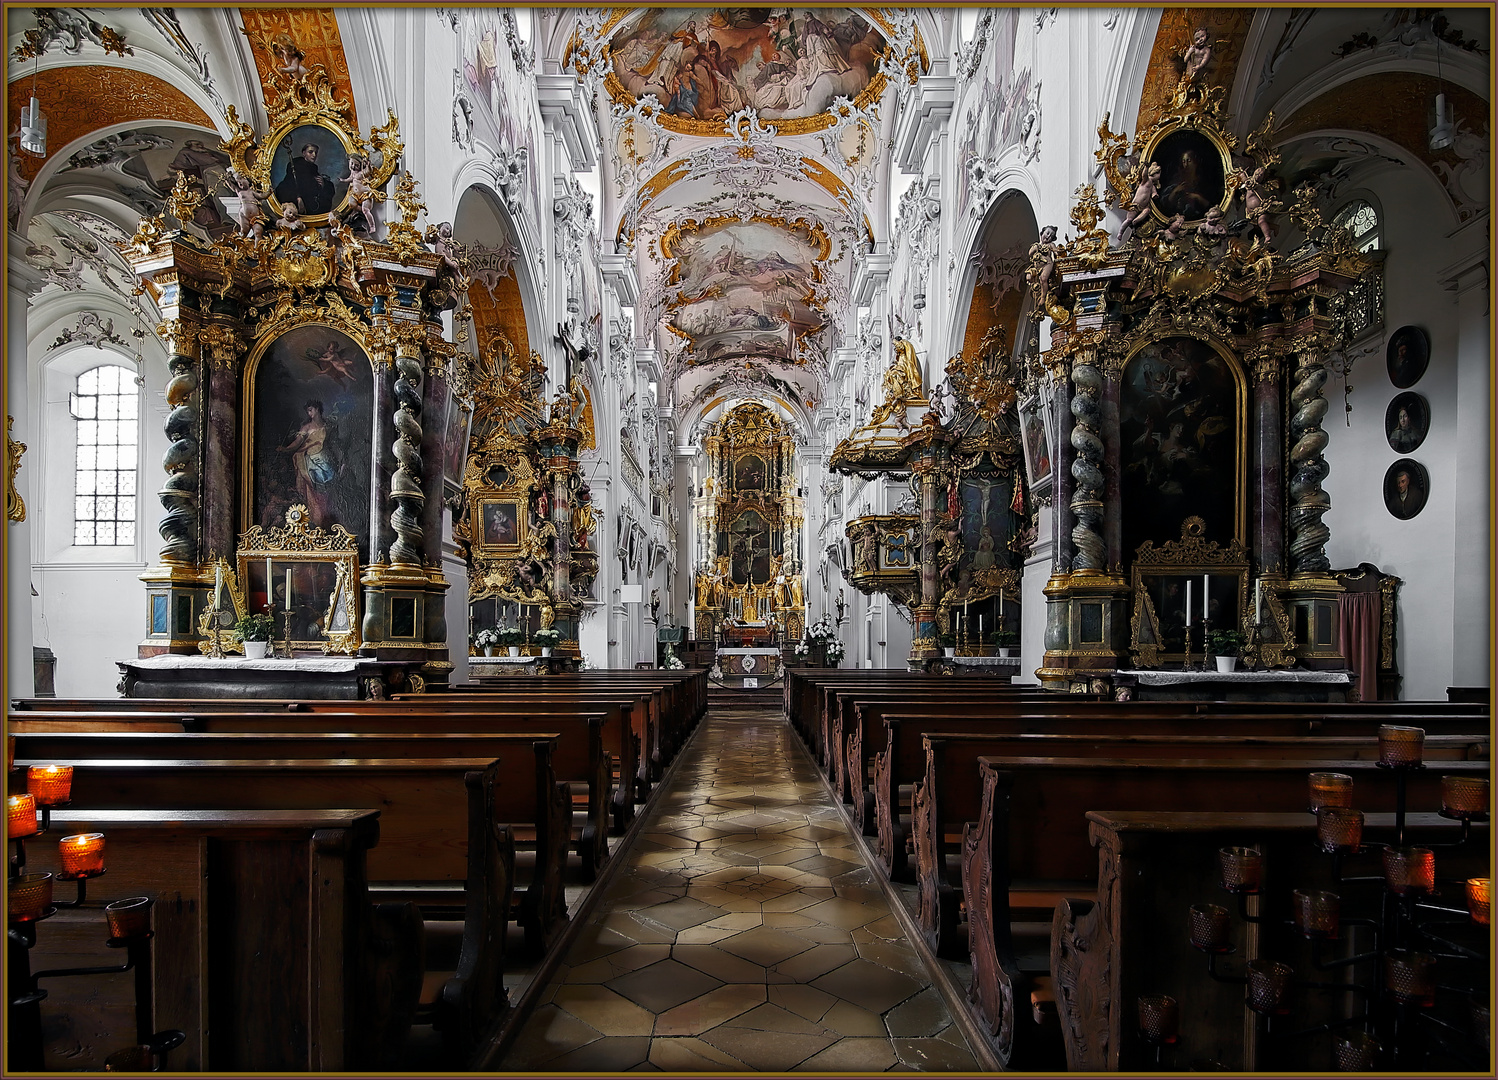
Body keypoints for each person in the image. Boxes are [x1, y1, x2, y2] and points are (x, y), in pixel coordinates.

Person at [275, 400, 337, 526]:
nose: (309, 413)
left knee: (328, 488)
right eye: (308, 411)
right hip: (310, 460)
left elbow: (333, 443)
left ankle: (327, 515)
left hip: (325, 459)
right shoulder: (306, 428)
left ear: (317, 409)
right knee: (311, 488)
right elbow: (297, 443)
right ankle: (316, 515)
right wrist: (286, 449)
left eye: (311, 410)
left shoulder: (328, 425)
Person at [275, 140, 335, 216]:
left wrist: (323, 184)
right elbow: (290, 184)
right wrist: (297, 198)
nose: (314, 155)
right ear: (304, 153)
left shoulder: (313, 168)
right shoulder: (295, 166)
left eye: (316, 153)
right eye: (310, 152)